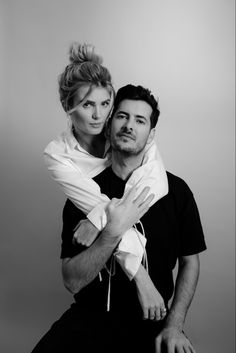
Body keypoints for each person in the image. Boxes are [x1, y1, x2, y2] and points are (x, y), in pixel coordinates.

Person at [32, 84, 206, 353]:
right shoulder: (83, 192)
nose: (129, 126)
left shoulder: (175, 192)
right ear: (109, 123)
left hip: (153, 319)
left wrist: (174, 324)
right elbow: (72, 281)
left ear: (151, 134)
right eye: (122, 116)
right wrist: (111, 233)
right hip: (89, 318)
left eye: (140, 120)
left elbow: (190, 261)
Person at [44, 42, 169, 283]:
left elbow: (156, 183)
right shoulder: (58, 155)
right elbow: (104, 209)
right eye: (87, 104)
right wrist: (140, 278)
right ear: (67, 106)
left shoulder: (124, 131)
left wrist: (96, 219)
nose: (98, 116)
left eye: (105, 104)